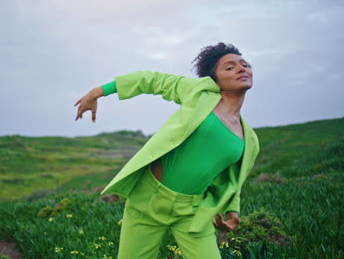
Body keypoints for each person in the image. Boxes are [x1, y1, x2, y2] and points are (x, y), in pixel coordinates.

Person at [74, 43, 260, 259]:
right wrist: (99, 92)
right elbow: (152, 80)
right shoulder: (198, 93)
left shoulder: (250, 139)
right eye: (229, 67)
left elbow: (234, 181)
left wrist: (232, 212)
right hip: (148, 199)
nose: (241, 69)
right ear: (215, 80)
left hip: (192, 212)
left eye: (245, 65)